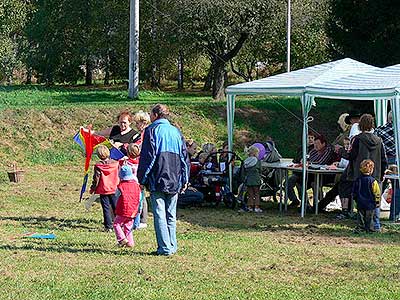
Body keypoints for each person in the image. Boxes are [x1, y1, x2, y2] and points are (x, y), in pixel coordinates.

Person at [137, 104, 189, 256]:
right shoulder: (176, 131)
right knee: (171, 214)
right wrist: (184, 179)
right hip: (175, 177)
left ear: (155, 115)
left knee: (160, 213)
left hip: (158, 176)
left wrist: (142, 178)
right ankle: (172, 245)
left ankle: (164, 248)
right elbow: (184, 157)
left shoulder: (151, 130)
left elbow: (148, 157)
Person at [346, 114, 387, 231]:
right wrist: (382, 173)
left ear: (360, 125)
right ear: (372, 125)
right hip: (376, 175)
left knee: (361, 201)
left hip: (360, 176)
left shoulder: (357, 139)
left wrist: (342, 151)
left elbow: (351, 156)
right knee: (375, 200)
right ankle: (376, 225)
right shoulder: (379, 140)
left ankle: (362, 226)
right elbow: (384, 159)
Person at [287, 134, 337, 207]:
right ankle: (304, 203)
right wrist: (303, 161)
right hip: (310, 174)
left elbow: (321, 163)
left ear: (323, 144)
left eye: (317, 144)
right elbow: (307, 159)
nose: (315, 146)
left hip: (324, 175)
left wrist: (308, 163)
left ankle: (318, 205)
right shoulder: (313, 151)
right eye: (315, 143)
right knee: (298, 182)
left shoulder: (328, 150)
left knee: (314, 183)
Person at [89, 145, 119, 232]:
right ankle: (119, 223)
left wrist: (93, 188)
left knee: (106, 208)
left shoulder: (98, 166)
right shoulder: (115, 164)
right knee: (116, 207)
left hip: (103, 189)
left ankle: (108, 226)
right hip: (114, 188)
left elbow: (96, 179)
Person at [113, 164, 141, 247]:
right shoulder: (136, 185)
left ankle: (122, 239)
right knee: (128, 225)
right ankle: (130, 243)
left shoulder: (120, 186)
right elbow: (139, 197)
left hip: (123, 209)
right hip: (133, 210)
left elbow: (116, 195)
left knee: (116, 224)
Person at [132, 111, 151, 229]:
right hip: (137, 164)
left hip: (141, 164)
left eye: (137, 123)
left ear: (143, 122)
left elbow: (139, 148)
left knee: (141, 193)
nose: (136, 125)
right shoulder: (140, 134)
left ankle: (143, 219)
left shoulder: (146, 134)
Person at [352, 159, 381, 233]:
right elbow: (377, 192)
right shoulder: (373, 181)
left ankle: (360, 229)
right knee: (370, 218)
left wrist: (355, 199)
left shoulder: (358, 180)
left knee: (360, 217)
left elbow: (354, 191)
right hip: (370, 203)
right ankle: (370, 229)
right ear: (371, 170)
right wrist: (377, 202)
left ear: (361, 169)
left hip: (360, 202)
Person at [243, 145, 262, 213]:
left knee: (250, 194)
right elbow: (260, 170)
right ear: (255, 153)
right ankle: (256, 207)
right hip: (256, 179)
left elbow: (244, 171)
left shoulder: (246, 161)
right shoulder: (257, 161)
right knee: (256, 194)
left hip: (249, 179)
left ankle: (250, 207)